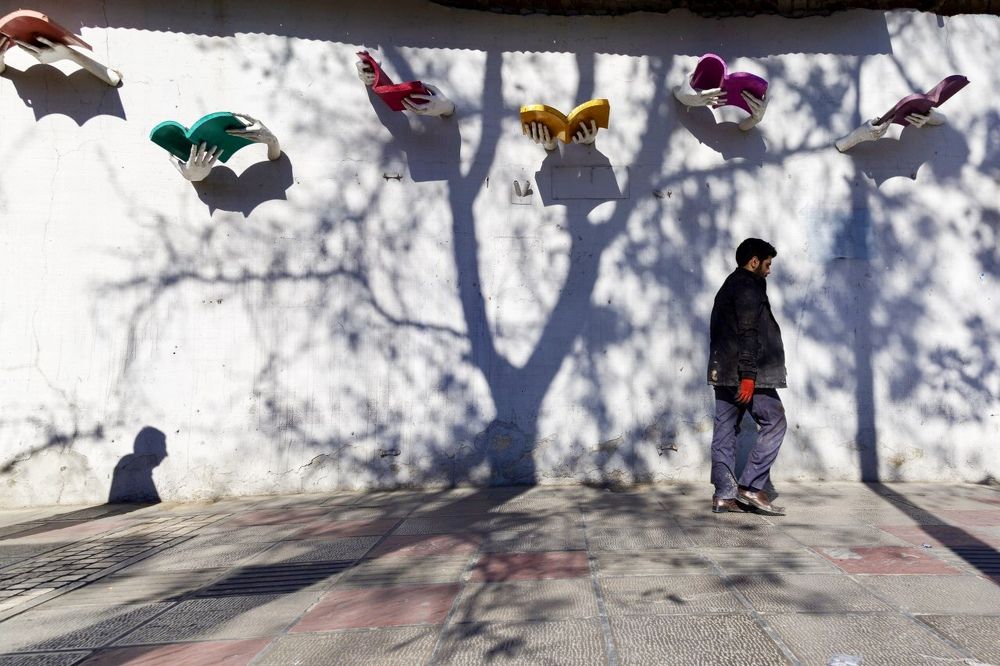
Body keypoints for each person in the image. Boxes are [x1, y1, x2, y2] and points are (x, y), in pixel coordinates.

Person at [707, 238, 787, 515]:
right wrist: (749, 376)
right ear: (754, 261)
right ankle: (751, 487)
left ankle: (724, 495)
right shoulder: (748, 287)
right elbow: (749, 332)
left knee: (726, 430)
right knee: (775, 422)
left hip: (724, 372)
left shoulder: (729, 285)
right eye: (767, 264)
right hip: (747, 375)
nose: (769, 270)